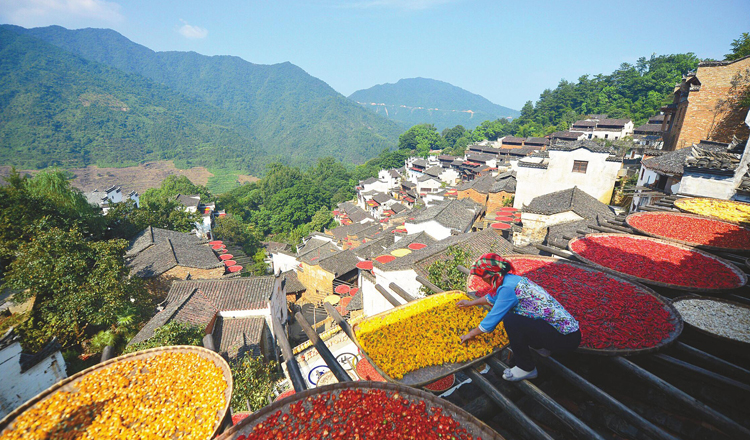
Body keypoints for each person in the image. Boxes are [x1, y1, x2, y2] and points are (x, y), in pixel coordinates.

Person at [457, 253, 581, 381]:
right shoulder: (510, 279)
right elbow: (492, 297)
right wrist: (470, 303)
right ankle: (543, 348)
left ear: (489, 276)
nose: (482, 280)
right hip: (564, 333)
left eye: (481, 277)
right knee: (517, 316)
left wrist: (469, 334)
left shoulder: (507, 288)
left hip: (566, 341)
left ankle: (526, 368)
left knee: (511, 320)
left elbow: (490, 321)